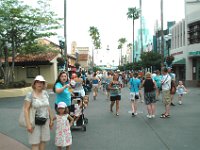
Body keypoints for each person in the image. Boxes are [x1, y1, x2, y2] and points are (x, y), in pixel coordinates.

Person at [24, 75, 53, 150]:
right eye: (37, 82)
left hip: (45, 120)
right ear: (34, 84)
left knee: (43, 141)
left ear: (44, 84)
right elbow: (26, 109)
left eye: (41, 82)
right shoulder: (30, 95)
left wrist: (51, 119)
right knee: (35, 143)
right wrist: (28, 125)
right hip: (34, 122)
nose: (39, 84)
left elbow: (48, 107)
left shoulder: (45, 93)